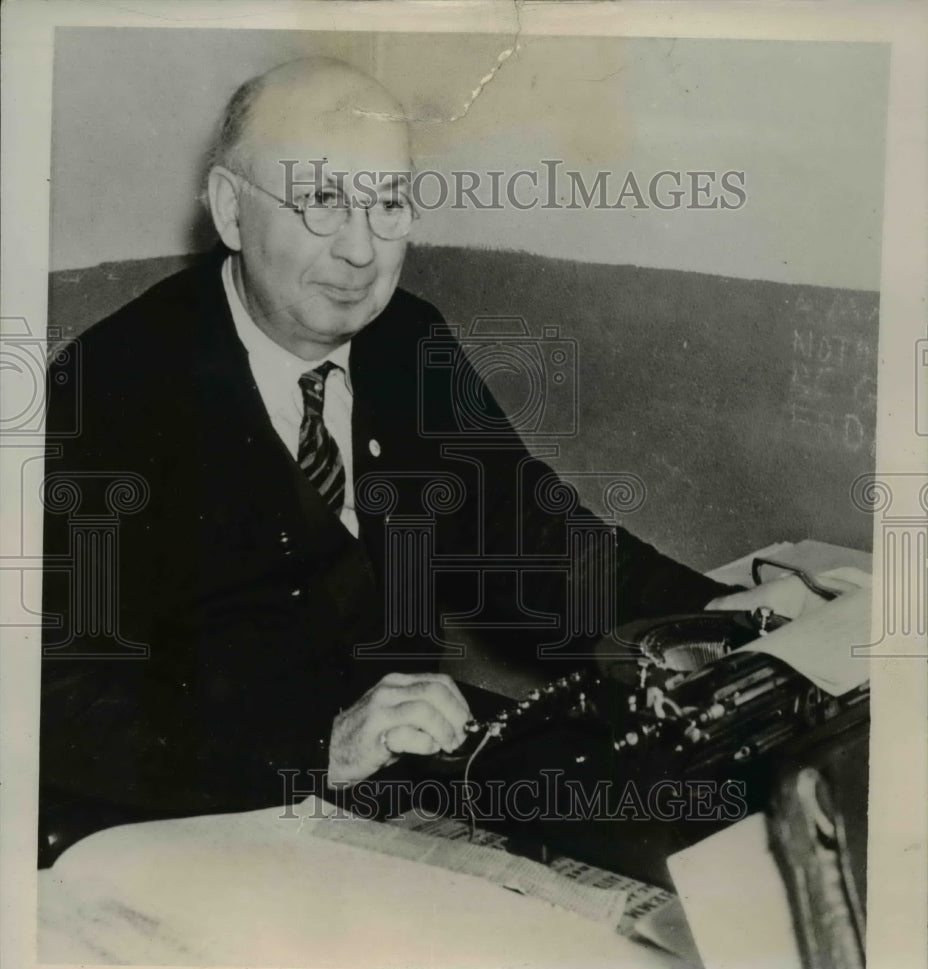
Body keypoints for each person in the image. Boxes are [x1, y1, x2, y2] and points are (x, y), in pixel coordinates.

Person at [40, 58, 826, 856]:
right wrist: (318, 748)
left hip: (396, 772)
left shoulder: (407, 339)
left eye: (388, 204)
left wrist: (723, 618)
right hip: (186, 819)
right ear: (231, 210)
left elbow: (533, 541)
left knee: (704, 824)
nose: (360, 250)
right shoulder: (108, 389)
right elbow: (55, 699)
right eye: (321, 202)